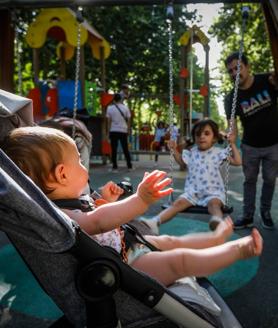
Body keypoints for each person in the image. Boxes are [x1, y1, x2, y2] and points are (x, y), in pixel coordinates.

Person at [1, 126, 263, 287]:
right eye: (79, 163)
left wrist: (103, 197)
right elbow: (98, 221)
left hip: (131, 244)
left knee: (171, 240)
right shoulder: (61, 215)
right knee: (179, 261)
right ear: (61, 174)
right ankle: (238, 250)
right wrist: (140, 200)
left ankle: (214, 238)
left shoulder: (66, 204)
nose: (84, 167)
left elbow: (96, 213)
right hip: (126, 267)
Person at [152, 119, 242, 231]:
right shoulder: (191, 152)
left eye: (206, 133)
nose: (202, 137)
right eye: (198, 134)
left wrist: (232, 143)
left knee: (214, 205)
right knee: (177, 203)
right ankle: (154, 221)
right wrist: (174, 149)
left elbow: (238, 162)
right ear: (194, 138)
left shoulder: (218, 153)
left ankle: (216, 221)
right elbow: (181, 162)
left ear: (214, 138)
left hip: (213, 192)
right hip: (192, 192)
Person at [225, 52, 278, 230]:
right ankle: (247, 216)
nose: (234, 73)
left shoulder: (267, 80)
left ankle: (265, 212)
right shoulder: (231, 98)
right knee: (249, 181)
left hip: (273, 144)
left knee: (270, 180)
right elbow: (232, 124)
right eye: (231, 71)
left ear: (247, 67)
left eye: (238, 68)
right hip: (250, 146)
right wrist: (231, 136)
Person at [106, 93, 133, 172]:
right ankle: (129, 166)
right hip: (123, 130)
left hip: (113, 130)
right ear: (121, 99)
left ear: (114, 99)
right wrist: (128, 129)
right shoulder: (125, 108)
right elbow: (128, 120)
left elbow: (109, 121)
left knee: (114, 149)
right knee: (125, 149)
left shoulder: (110, 108)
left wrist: (108, 131)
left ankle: (115, 167)